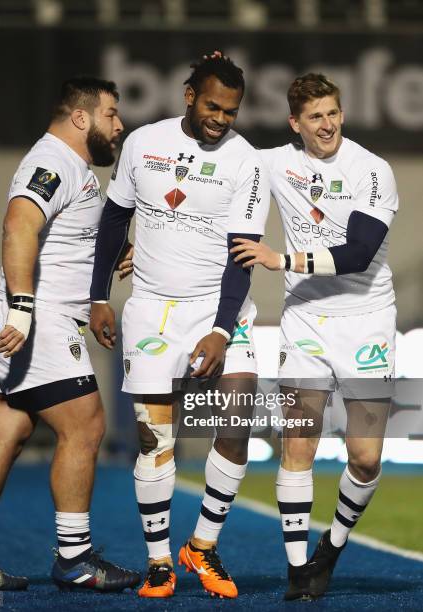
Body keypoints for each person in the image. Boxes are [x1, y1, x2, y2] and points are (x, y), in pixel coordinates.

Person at [0, 76, 140, 593]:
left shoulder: (73, 168)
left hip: (2, 316)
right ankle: (75, 559)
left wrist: (116, 256)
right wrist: (25, 310)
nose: (119, 125)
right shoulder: (53, 160)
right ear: (81, 118)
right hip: (33, 319)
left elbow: (68, 240)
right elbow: (18, 225)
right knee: (87, 427)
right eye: (111, 114)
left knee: (3, 436)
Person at [89, 55, 270, 599]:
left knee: (236, 424)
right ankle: (160, 562)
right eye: (213, 106)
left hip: (219, 310)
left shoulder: (246, 162)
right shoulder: (144, 143)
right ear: (189, 95)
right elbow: (116, 216)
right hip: (152, 311)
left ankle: (204, 546)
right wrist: (99, 295)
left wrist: (221, 330)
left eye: (232, 111)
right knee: (156, 440)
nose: (221, 118)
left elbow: (243, 253)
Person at [231, 73, 398, 600]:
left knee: (366, 458)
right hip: (304, 320)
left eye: (332, 113)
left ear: (342, 114)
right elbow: (214, 163)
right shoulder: (274, 162)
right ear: (294, 125)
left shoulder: (373, 170)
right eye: (314, 117)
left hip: (367, 318)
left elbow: (359, 250)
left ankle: (334, 544)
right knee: (297, 446)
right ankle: (300, 570)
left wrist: (282, 260)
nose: (326, 125)